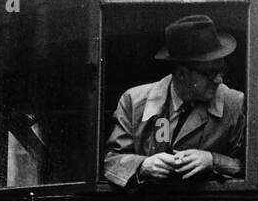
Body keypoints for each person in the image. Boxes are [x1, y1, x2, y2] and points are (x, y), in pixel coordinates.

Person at [103, 15, 245, 188]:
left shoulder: (235, 104)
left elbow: (249, 168)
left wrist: (212, 160)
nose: (219, 80)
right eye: (210, 73)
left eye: (222, 70)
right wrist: (142, 166)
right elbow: (112, 161)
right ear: (182, 72)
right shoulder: (133, 101)